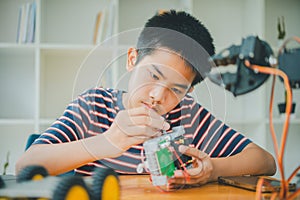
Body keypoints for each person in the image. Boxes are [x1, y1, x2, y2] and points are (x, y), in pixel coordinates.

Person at [16, 10, 276, 186]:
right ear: (132, 59)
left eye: (176, 89)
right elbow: (25, 166)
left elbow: (265, 161)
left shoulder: (189, 117)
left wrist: (213, 170)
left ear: (188, 92)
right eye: (153, 74)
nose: (158, 95)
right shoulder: (93, 107)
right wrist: (108, 141)